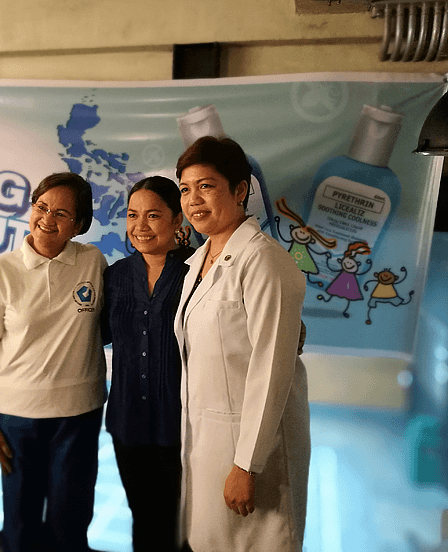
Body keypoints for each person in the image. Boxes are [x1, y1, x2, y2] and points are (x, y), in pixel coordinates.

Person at [174, 137, 310, 551]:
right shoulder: (198, 263)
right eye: (185, 189)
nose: (193, 200)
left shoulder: (264, 260)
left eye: (206, 186)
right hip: (208, 442)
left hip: (252, 452)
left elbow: (272, 369)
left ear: (239, 190)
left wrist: (246, 464)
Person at [0, 172, 107, 552]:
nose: (47, 219)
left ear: (79, 224)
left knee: (70, 523)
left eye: (61, 213)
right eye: (41, 207)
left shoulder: (93, 262)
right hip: (17, 417)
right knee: (20, 523)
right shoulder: (1, 270)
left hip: (78, 414)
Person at [102, 176, 193, 552]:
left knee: (181, 524)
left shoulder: (198, 272)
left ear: (177, 220)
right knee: (142, 516)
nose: (140, 226)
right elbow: (92, 333)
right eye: (132, 215)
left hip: (182, 423)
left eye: (153, 215)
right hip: (128, 420)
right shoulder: (115, 275)